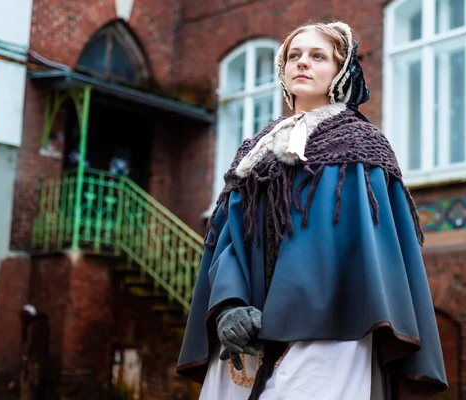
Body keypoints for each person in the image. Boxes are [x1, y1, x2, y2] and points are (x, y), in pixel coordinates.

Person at [177, 21, 448, 400]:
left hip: (333, 329)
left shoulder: (362, 146)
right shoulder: (255, 152)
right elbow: (229, 238)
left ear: (340, 71)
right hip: (247, 333)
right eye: (294, 56)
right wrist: (228, 305)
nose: (302, 63)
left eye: (318, 56)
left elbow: (367, 249)